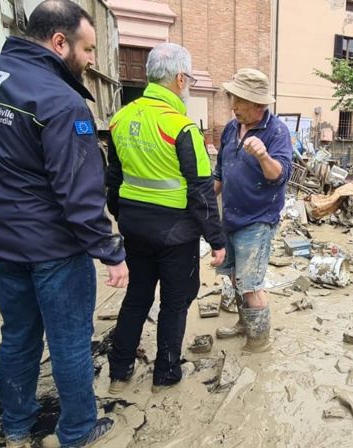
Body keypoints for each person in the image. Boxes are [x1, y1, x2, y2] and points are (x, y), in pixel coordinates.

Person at [0, 1, 128, 446]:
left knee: (17, 334)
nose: (90, 60)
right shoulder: (60, 100)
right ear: (59, 42)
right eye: (88, 49)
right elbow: (79, 192)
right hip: (53, 248)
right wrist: (110, 251)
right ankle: (76, 431)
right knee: (70, 340)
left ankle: (16, 422)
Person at [105, 43, 225, 393]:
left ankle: (120, 369)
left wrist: (120, 215)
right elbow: (201, 191)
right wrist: (216, 240)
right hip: (175, 235)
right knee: (175, 303)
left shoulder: (121, 118)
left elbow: (113, 178)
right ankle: (166, 373)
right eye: (186, 78)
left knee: (137, 297)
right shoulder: (183, 127)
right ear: (179, 78)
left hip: (135, 228)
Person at [213, 68, 293, 352]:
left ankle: (259, 342)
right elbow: (220, 173)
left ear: (258, 104)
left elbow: (280, 175)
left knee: (251, 284)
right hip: (231, 218)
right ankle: (244, 324)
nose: (233, 105)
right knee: (235, 277)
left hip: (257, 221)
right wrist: (205, 206)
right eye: (233, 98)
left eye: (239, 100)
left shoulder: (277, 132)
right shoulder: (231, 128)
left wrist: (262, 155)